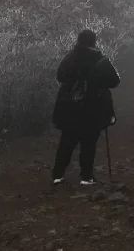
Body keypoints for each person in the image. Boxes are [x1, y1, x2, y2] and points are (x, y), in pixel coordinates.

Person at [51, 29, 120, 186]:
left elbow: (60, 76)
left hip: (69, 108)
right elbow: (114, 82)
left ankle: (57, 175)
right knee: (89, 143)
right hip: (92, 108)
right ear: (94, 42)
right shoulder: (100, 60)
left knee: (67, 141)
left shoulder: (69, 58)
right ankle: (86, 177)